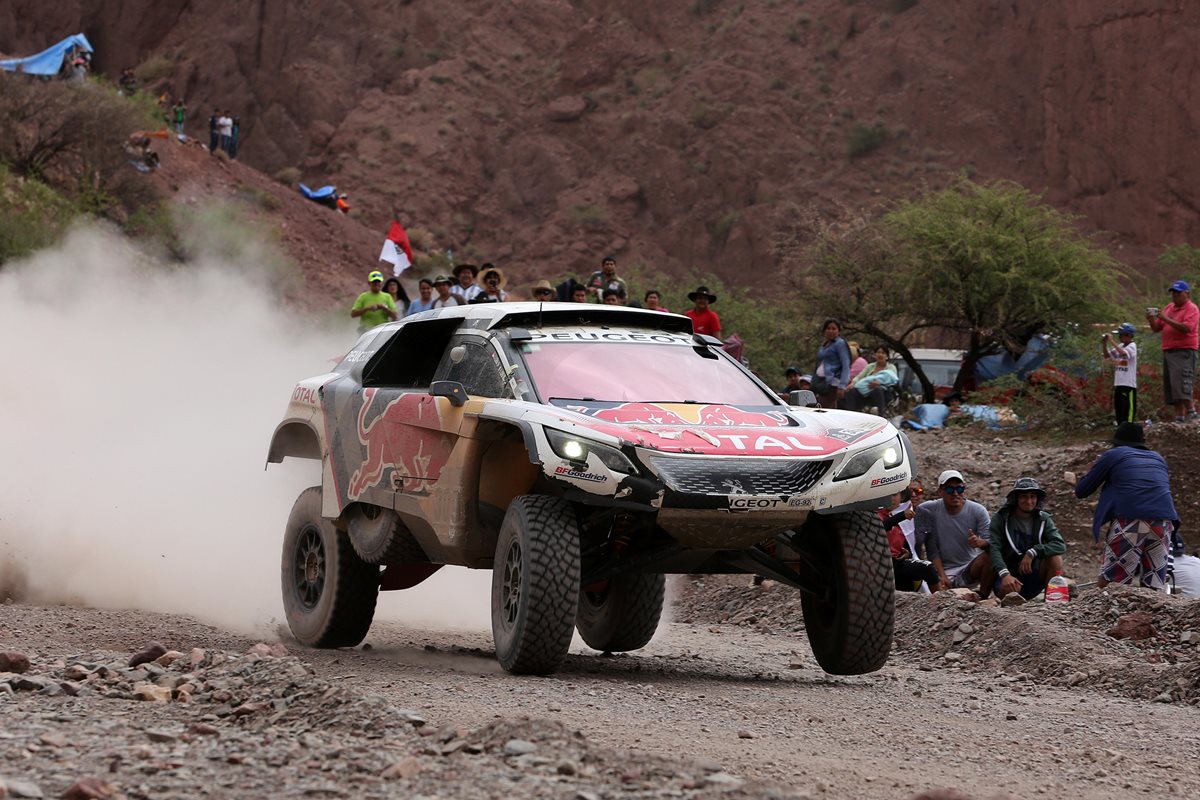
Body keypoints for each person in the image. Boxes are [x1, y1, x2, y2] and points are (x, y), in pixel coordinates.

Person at [1073, 422, 1179, 591]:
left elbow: (1082, 490)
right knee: (1153, 588)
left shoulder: (1113, 454)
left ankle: (1103, 615)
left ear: (1116, 442)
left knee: (1112, 585)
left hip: (1131, 520)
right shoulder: (1158, 458)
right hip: (1164, 522)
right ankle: (1149, 616)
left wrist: (1092, 470)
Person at [914, 470, 994, 596]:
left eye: (960, 489)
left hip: (969, 568)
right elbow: (931, 547)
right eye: (950, 490)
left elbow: (993, 542)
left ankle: (982, 595)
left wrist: (980, 543)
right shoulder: (928, 509)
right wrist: (941, 575)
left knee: (991, 556)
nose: (955, 494)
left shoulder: (978, 511)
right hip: (941, 571)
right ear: (940, 491)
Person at [988, 478, 1067, 600]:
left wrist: (1032, 552)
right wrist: (1005, 575)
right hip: (1009, 577)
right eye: (1024, 496)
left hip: (1033, 575)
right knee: (1009, 589)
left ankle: (1051, 601)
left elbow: (1059, 545)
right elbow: (994, 548)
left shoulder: (1043, 519)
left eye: (1032, 496)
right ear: (1016, 498)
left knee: (1056, 559)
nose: (1029, 501)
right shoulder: (1001, 519)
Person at [1146, 280, 1199, 422]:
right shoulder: (1169, 308)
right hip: (1169, 351)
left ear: (1187, 293)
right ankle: (1179, 417)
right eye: (1173, 293)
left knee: (1182, 383)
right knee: (1173, 387)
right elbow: (1157, 328)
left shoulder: (1191, 308)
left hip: (1184, 351)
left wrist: (1165, 318)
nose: (1175, 296)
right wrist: (1151, 319)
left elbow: (1187, 328)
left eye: (1178, 293)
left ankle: (1192, 413)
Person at [880, 480, 938, 593]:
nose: (914, 494)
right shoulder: (877, 513)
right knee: (927, 568)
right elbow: (881, 527)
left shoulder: (923, 514)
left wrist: (906, 554)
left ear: (901, 497)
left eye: (894, 495)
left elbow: (929, 549)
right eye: (888, 494)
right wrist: (901, 516)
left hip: (898, 562)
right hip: (880, 563)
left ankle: (938, 602)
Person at [1102, 322, 1138, 425]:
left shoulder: (1132, 346)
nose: (1119, 337)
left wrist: (1111, 340)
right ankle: (1120, 430)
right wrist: (1105, 344)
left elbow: (1123, 354)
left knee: (1128, 412)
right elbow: (1107, 356)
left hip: (1128, 385)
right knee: (1119, 410)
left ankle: (1129, 431)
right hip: (1119, 383)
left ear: (1129, 335)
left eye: (1121, 335)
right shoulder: (1120, 345)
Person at [845, 345, 899, 414]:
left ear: (887, 356)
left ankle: (881, 414)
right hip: (866, 392)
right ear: (875, 355)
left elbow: (893, 380)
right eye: (878, 352)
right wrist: (853, 383)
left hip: (883, 393)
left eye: (883, 353)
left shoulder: (891, 368)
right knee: (851, 391)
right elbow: (859, 377)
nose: (880, 355)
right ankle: (851, 414)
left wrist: (880, 383)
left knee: (877, 389)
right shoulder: (870, 366)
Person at [811, 319, 851, 409]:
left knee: (822, 408)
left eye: (834, 329)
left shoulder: (840, 344)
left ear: (838, 331)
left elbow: (846, 365)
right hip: (822, 381)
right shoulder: (825, 345)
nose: (831, 331)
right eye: (828, 328)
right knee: (830, 409)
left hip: (833, 382)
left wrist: (842, 385)